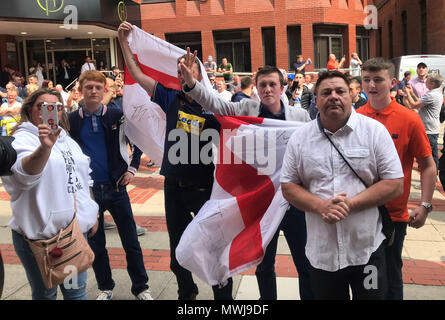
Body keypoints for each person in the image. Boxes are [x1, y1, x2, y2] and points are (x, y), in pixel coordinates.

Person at [179, 57, 313, 300]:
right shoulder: (245, 110)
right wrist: (192, 84)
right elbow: (214, 104)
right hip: (262, 202)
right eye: (263, 85)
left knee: (305, 263)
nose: (268, 89)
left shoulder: (300, 117)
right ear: (256, 89)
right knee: (264, 263)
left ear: (282, 87)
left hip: (294, 202)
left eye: (272, 84)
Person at [118, 22, 233, 300]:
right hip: (174, 187)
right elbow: (135, 72)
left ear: (199, 74)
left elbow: (245, 129)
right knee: (177, 251)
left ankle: (224, 299)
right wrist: (123, 42)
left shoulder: (216, 106)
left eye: (189, 69)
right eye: (179, 70)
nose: (182, 73)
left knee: (215, 249)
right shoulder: (171, 97)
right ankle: (187, 292)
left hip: (206, 188)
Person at [280, 70, 404, 300]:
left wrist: (351, 204)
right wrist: (320, 206)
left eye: (340, 91)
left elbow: (395, 184)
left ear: (352, 96)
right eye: (326, 92)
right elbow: (288, 186)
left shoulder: (374, 132)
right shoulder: (300, 138)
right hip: (322, 256)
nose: (333, 96)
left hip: (367, 251)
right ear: (316, 100)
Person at [2, 88, 99, 300]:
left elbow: (83, 178)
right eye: (43, 107)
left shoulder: (66, 139)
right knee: (46, 295)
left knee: (76, 294)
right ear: (30, 109)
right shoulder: (21, 139)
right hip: (39, 240)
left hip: (72, 236)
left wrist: (92, 212)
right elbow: (24, 174)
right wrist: (45, 148)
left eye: (56, 107)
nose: (50, 111)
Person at [68, 70, 152, 300]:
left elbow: (138, 142)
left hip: (116, 188)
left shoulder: (117, 116)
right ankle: (106, 287)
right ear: (80, 91)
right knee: (97, 245)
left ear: (105, 90)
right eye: (89, 87)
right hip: (89, 193)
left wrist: (132, 169)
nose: (93, 91)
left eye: (98, 87)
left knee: (131, 242)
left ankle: (141, 287)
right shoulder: (72, 120)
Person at [357, 57, 436, 300]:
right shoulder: (355, 118)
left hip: (393, 215)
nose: (371, 85)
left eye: (378, 80)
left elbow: (428, 165)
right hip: (360, 212)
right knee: (367, 275)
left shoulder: (409, 118)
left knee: (391, 274)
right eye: (366, 79)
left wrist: (424, 205)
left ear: (392, 82)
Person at [404, 73, 443, 169]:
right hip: (431, 128)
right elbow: (420, 102)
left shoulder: (432, 95)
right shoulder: (435, 93)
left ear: (432, 84)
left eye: (427, 80)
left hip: (429, 130)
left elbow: (414, 105)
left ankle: (431, 178)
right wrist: (412, 93)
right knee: (431, 155)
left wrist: (407, 93)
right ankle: (432, 177)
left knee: (428, 157)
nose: (425, 81)